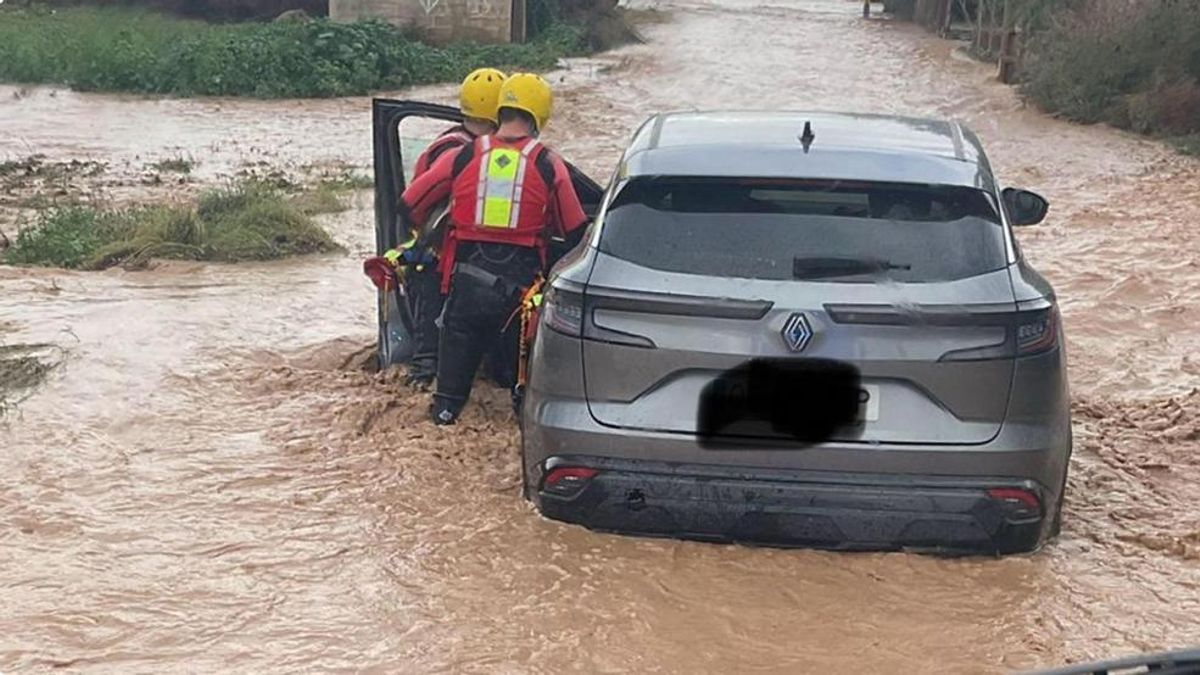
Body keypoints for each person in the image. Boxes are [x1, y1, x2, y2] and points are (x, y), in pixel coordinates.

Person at [400, 72, 589, 425]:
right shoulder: (548, 163)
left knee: (446, 409)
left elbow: (411, 203)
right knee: (516, 405)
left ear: (499, 110)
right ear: (539, 115)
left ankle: (444, 414)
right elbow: (576, 230)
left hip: (465, 290)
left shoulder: (464, 155)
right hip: (519, 301)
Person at [388, 67, 506, 390]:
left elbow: (408, 205)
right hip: (437, 265)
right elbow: (411, 204)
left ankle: (426, 373)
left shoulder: (456, 143)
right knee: (432, 363)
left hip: (439, 264)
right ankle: (426, 369)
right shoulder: (462, 153)